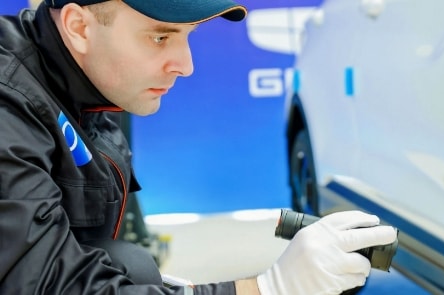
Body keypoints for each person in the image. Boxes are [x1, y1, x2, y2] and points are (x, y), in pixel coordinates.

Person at [0, 0, 398, 294]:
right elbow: (46, 285)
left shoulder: (86, 81)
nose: (185, 64)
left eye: (188, 35)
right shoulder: (8, 102)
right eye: (160, 36)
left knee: (132, 267)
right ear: (79, 27)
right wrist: (268, 289)